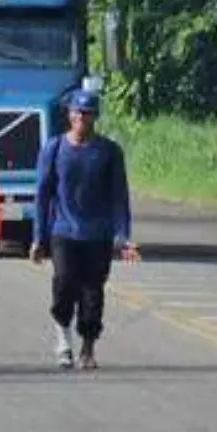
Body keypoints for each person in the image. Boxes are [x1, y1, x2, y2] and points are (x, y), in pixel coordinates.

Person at [32, 89, 138, 370]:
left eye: (88, 112)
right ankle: (63, 335)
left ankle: (88, 348)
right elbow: (42, 195)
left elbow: (119, 196)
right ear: (69, 115)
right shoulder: (54, 149)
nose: (81, 117)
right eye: (77, 112)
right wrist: (38, 238)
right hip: (63, 230)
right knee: (64, 282)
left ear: (95, 116)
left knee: (93, 293)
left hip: (97, 233)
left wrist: (124, 236)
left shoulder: (109, 152)